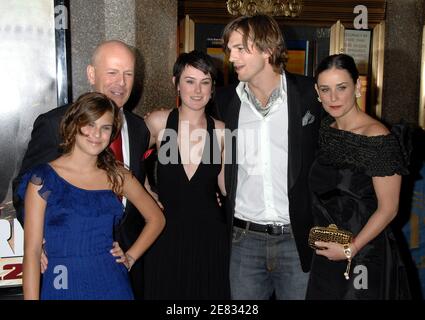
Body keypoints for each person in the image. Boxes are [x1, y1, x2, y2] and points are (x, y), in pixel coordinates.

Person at [12, 40, 150, 299]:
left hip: (119, 267)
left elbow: (139, 196)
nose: (121, 82)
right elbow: (25, 190)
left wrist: (132, 254)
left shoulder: (140, 128)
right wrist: (39, 239)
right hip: (65, 261)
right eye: (112, 72)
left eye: (128, 74)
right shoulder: (55, 122)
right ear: (91, 74)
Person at [214, 14, 322, 300]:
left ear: (267, 50)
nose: (231, 57)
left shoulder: (310, 95)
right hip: (243, 241)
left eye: (240, 49)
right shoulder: (225, 101)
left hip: (296, 240)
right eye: (230, 49)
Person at [305, 53, 411, 299]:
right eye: (325, 89)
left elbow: (389, 208)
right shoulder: (325, 129)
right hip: (325, 254)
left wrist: (350, 250)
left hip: (363, 253)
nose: (333, 97)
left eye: (341, 88)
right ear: (317, 92)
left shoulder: (378, 138)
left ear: (357, 86)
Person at [142, 50, 230, 299]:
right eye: (189, 81)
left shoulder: (223, 132)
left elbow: (227, 187)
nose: (197, 90)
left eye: (205, 82)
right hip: (164, 232)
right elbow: (127, 156)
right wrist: (145, 189)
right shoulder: (160, 122)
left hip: (210, 236)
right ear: (176, 83)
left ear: (213, 87)